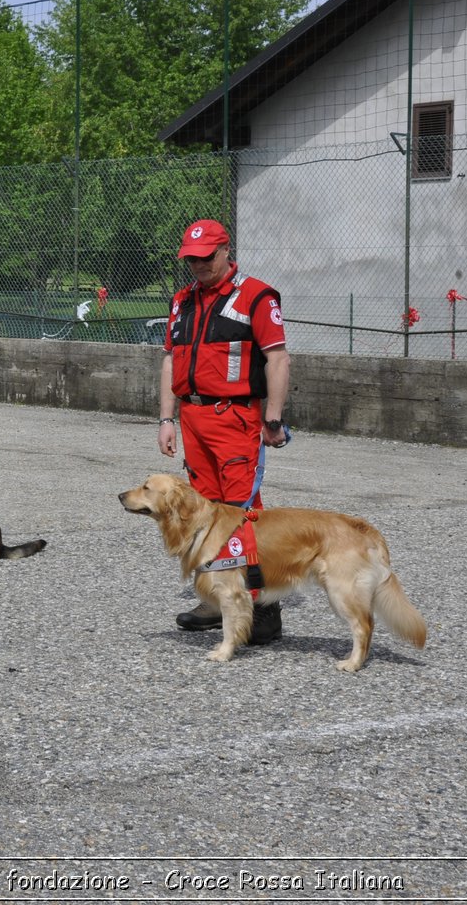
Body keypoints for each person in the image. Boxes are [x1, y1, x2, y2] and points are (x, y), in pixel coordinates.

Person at [157, 218, 291, 641]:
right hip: (193, 419)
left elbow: (278, 359)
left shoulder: (256, 296)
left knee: (242, 515)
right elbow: (170, 360)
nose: (197, 266)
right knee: (204, 513)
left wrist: (272, 417)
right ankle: (217, 600)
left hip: (235, 420)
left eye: (204, 258)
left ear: (224, 252)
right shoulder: (183, 300)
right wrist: (166, 418)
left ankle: (263, 609)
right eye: (190, 259)